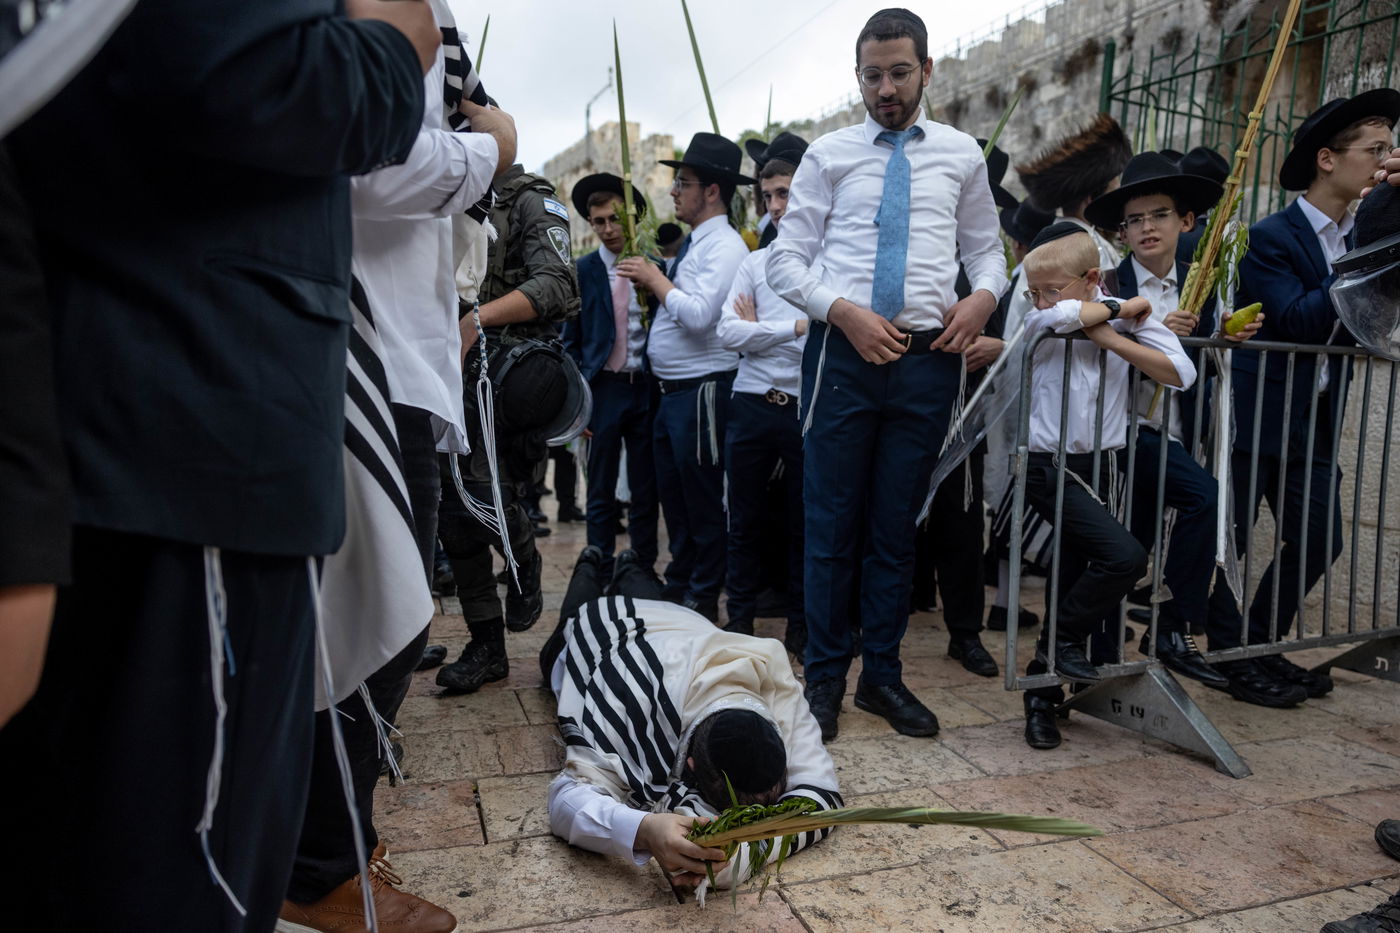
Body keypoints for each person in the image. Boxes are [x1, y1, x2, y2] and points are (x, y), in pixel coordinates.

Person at [0, 1, 436, 928]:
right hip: (180, 428)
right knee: (187, 875)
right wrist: (400, 38)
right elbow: (253, 70)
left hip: (153, 425)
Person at [279, 4, 512, 929]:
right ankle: (315, 864)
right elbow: (368, 156)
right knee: (375, 616)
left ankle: (329, 843)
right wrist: (489, 148)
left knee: (390, 609)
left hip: (406, 346)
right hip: (358, 340)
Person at [766, 8, 1008, 741]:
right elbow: (784, 261)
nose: (886, 89)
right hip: (843, 355)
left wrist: (983, 298)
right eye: (872, 76)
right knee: (831, 523)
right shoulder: (829, 155)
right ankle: (825, 681)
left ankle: (884, 678)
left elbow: (989, 252)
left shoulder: (963, 154)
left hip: (927, 360)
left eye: (900, 73)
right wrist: (843, 313)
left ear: (928, 70)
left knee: (897, 525)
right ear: (859, 77)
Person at [1205, 88, 1399, 706]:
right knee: (1230, 539)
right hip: (1258, 414)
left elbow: (1374, 321)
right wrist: (1369, 245)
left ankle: (1259, 645)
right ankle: (1232, 657)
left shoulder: (1361, 229)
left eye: (1390, 149)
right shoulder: (1273, 236)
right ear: (1327, 159)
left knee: (1320, 539)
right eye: (1376, 149)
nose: (1386, 160)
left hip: (1314, 420)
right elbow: (1296, 318)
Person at [539, 547, 841, 889]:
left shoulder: (777, 691)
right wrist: (643, 830)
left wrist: (743, 855)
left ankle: (629, 564)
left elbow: (821, 797)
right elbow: (566, 800)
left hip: (673, 619)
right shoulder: (632, 696)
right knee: (575, 613)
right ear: (692, 764)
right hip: (601, 633)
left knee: (638, 578)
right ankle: (589, 562)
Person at [1016, 224, 1195, 751]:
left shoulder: (1123, 318)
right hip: (1049, 469)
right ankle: (1058, 649)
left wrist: (1115, 338)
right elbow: (1063, 317)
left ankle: (1041, 695)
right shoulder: (1046, 316)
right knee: (1125, 557)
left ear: (1091, 277)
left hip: (1104, 468)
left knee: (1071, 579)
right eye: (1035, 290)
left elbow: (1179, 370)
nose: (1041, 299)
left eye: (1052, 287)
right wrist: (1122, 310)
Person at [1082, 151, 1256, 691]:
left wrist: (1220, 336)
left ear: (1185, 221)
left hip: (1176, 429)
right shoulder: (1105, 283)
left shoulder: (1202, 286)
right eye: (1133, 220)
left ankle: (1135, 641)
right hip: (1121, 431)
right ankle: (1150, 634)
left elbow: (1206, 362)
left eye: (1158, 214)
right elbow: (1086, 353)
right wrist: (1152, 333)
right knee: (1200, 499)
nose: (1145, 228)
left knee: (1128, 549)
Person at [435, 161, 580, 692]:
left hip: (506, 372)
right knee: (451, 516)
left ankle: (522, 558)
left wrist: (478, 320)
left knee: (482, 494)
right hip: (446, 373)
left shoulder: (529, 200)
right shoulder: (450, 201)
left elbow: (557, 285)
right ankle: (486, 646)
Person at [617, 132, 754, 622]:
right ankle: (682, 582)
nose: (674, 191)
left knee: (701, 499)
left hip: (702, 389)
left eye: (684, 182)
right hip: (673, 391)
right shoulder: (699, 244)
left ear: (712, 191)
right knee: (673, 496)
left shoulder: (727, 248)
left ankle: (703, 590)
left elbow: (699, 317)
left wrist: (656, 281)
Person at [716, 134, 809, 649]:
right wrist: (791, 330)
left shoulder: (826, 263)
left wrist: (764, 334)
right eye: (768, 195)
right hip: (750, 402)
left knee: (804, 521)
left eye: (786, 194)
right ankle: (740, 620)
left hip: (802, 407)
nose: (775, 206)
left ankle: (800, 624)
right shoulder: (752, 263)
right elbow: (727, 334)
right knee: (743, 519)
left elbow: (823, 342)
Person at [562, 172, 662, 577]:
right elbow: (570, 339)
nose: (606, 229)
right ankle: (598, 563)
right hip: (603, 387)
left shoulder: (652, 268)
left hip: (646, 387)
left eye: (613, 220)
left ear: (631, 219)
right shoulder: (584, 270)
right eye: (598, 221)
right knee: (600, 484)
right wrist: (578, 402)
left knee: (644, 485)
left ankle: (641, 565)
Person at [1016, 113, 1134, 294]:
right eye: (1113, 188)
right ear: (1091, 198)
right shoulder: (1081, 245)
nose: (1117, 195)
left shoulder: (1061, 237)